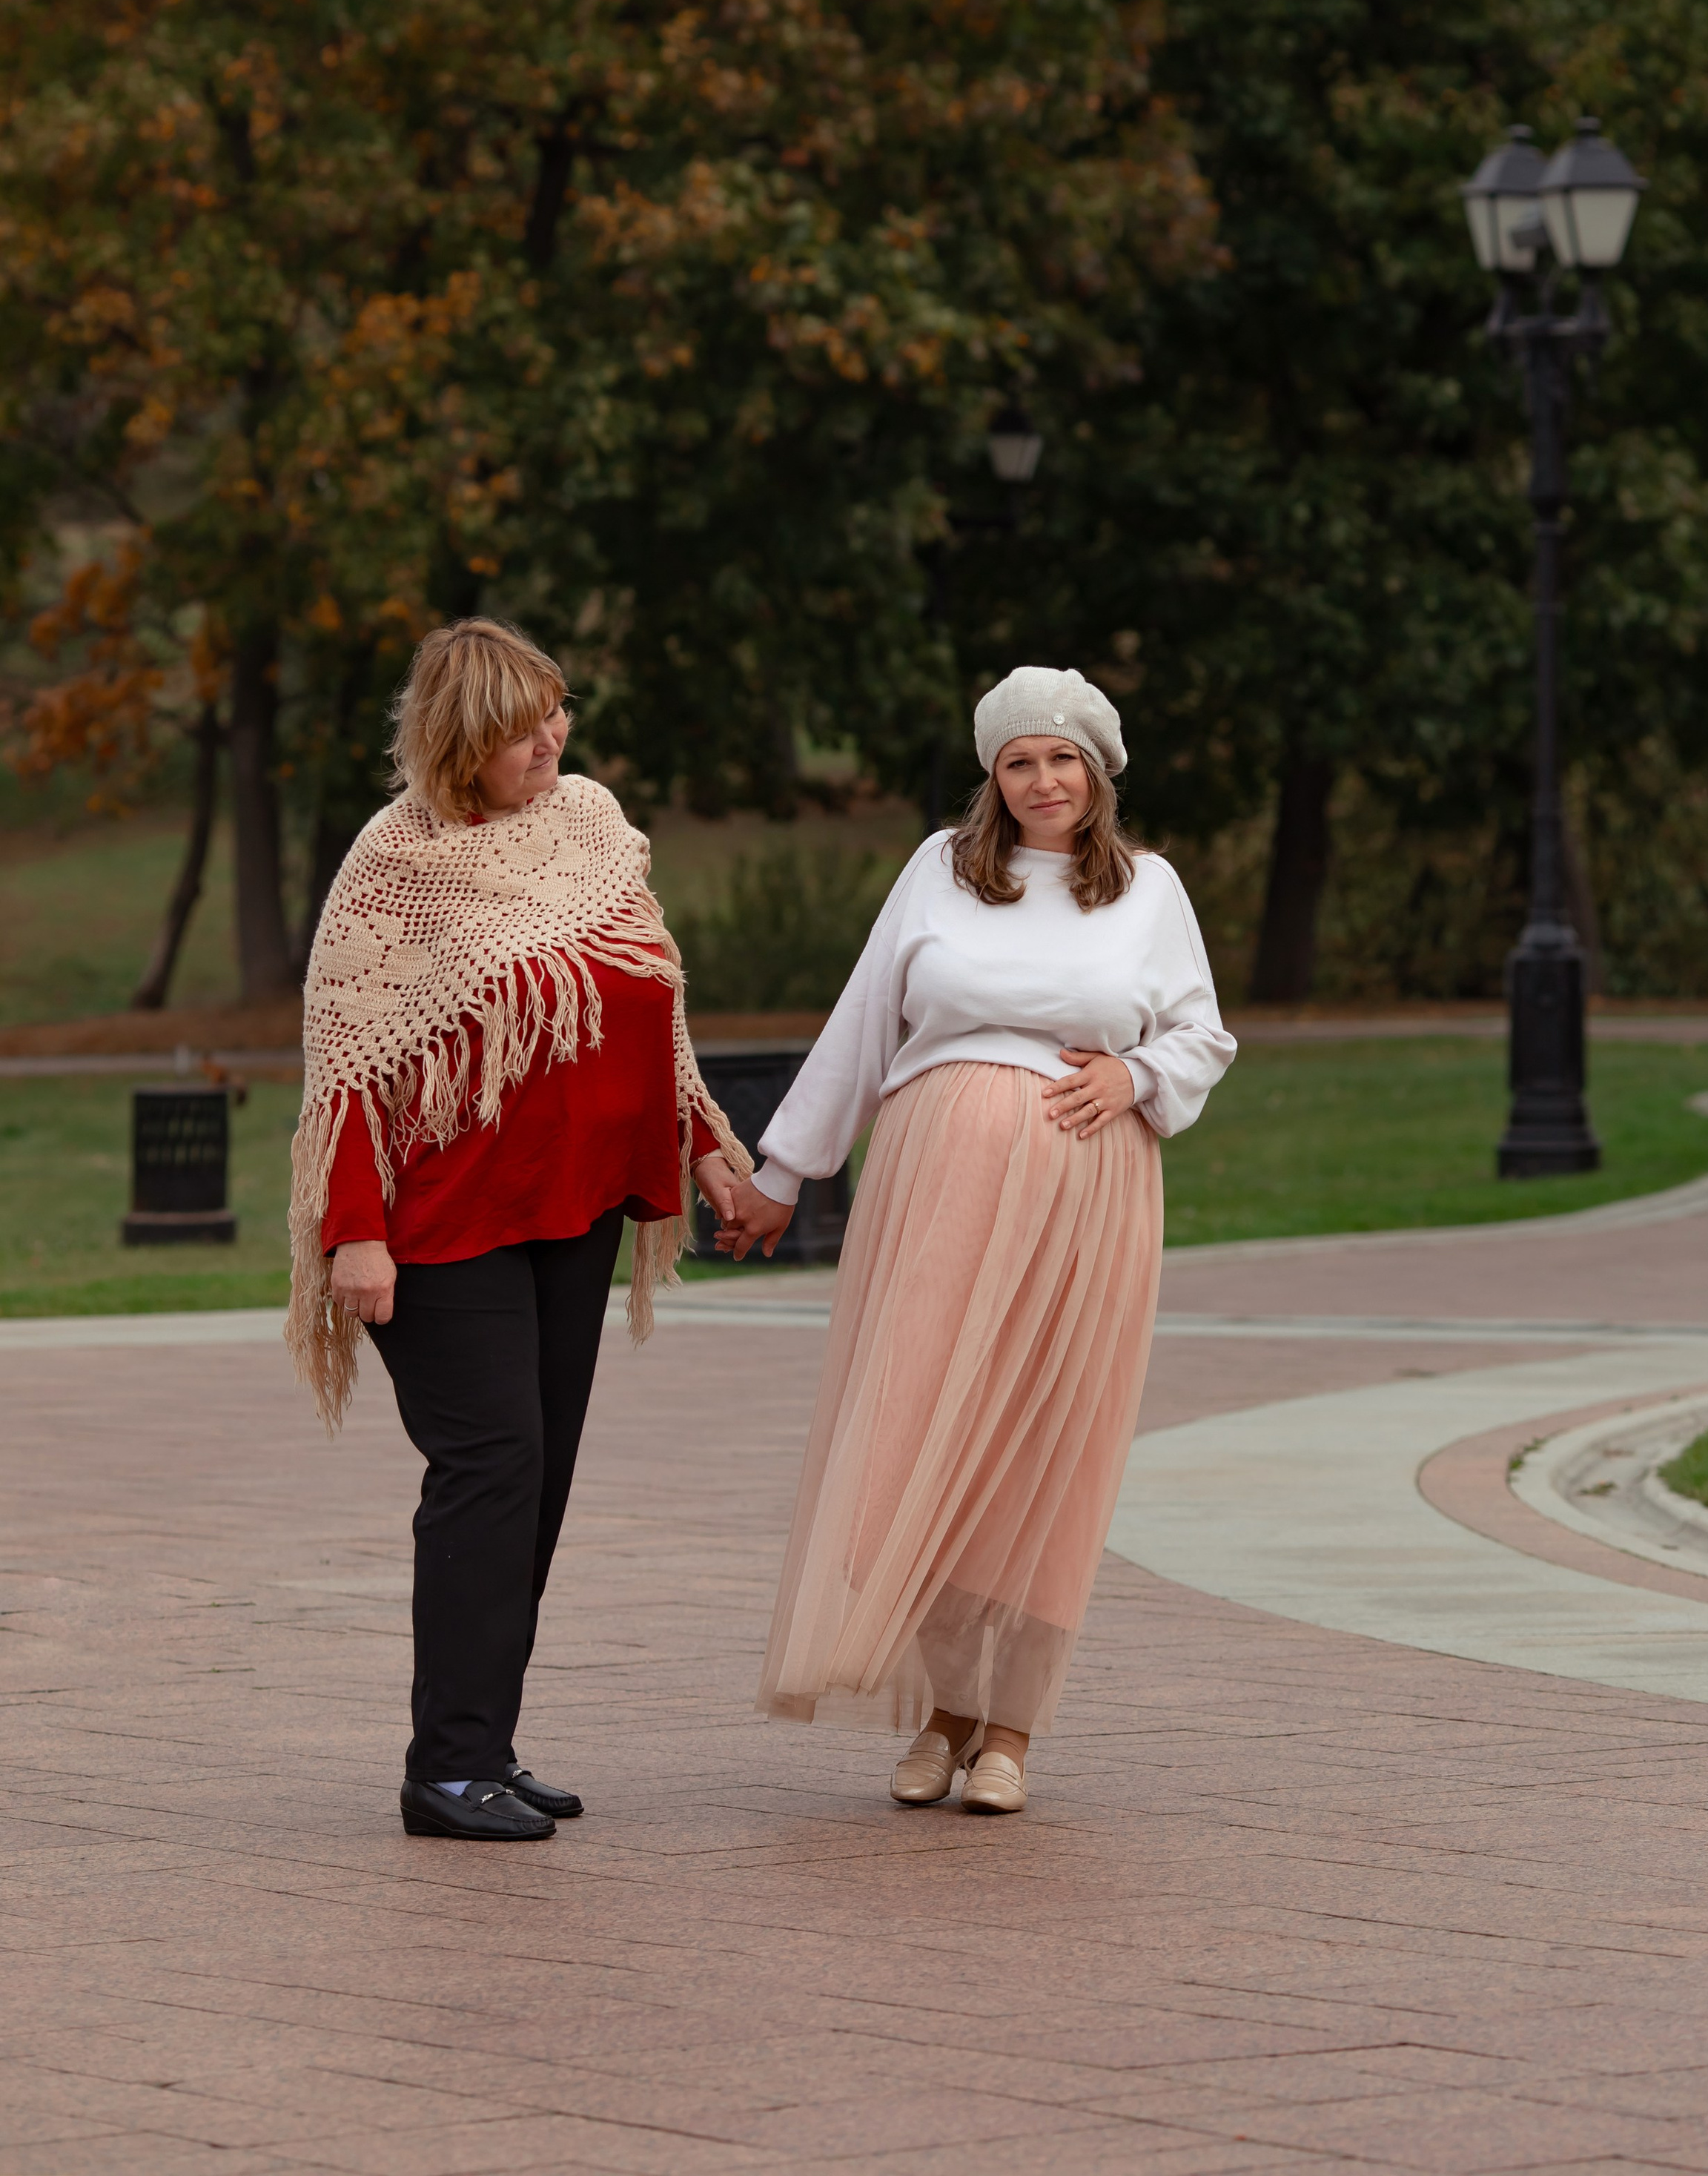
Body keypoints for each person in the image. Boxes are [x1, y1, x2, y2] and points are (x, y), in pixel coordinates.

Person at [718, 666, 1234, 1814]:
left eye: (1062, 758)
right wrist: (784, 1168)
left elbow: (1204, 1032)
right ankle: (946, 1704)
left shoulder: (1149, 890)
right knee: (916, 1438)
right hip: (933, 1187)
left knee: (1042, 1450)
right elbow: (863, 1020)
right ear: (992, 777)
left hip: (1083, 1193)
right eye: (1018, 760)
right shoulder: (940, 873)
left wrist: (1137, 1071)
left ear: (1097, 772)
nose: (1042, 779)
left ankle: (1010, 1727)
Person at [285, 618, 749, 1842]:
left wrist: (705, 1138)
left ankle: (480, 1742)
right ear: (457, 737)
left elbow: (655, 998)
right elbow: (346, 1067)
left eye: (557, 712)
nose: (550, 738)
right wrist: (354, 1233)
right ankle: (444, 1770)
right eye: (519, 726)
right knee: (489, 1470)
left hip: (573, 1207)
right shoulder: (392, 866)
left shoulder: (591, 824)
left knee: (533, 1479)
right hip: (442, 1229)